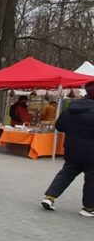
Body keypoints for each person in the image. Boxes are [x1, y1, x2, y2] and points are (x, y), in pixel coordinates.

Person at [40, 81, 94, 217]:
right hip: (91, 152)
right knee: (91, 179)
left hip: (72, 148)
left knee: (66, 173)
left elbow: (60, 126)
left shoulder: (72, 108)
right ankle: (89, 207)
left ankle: (50, 197)